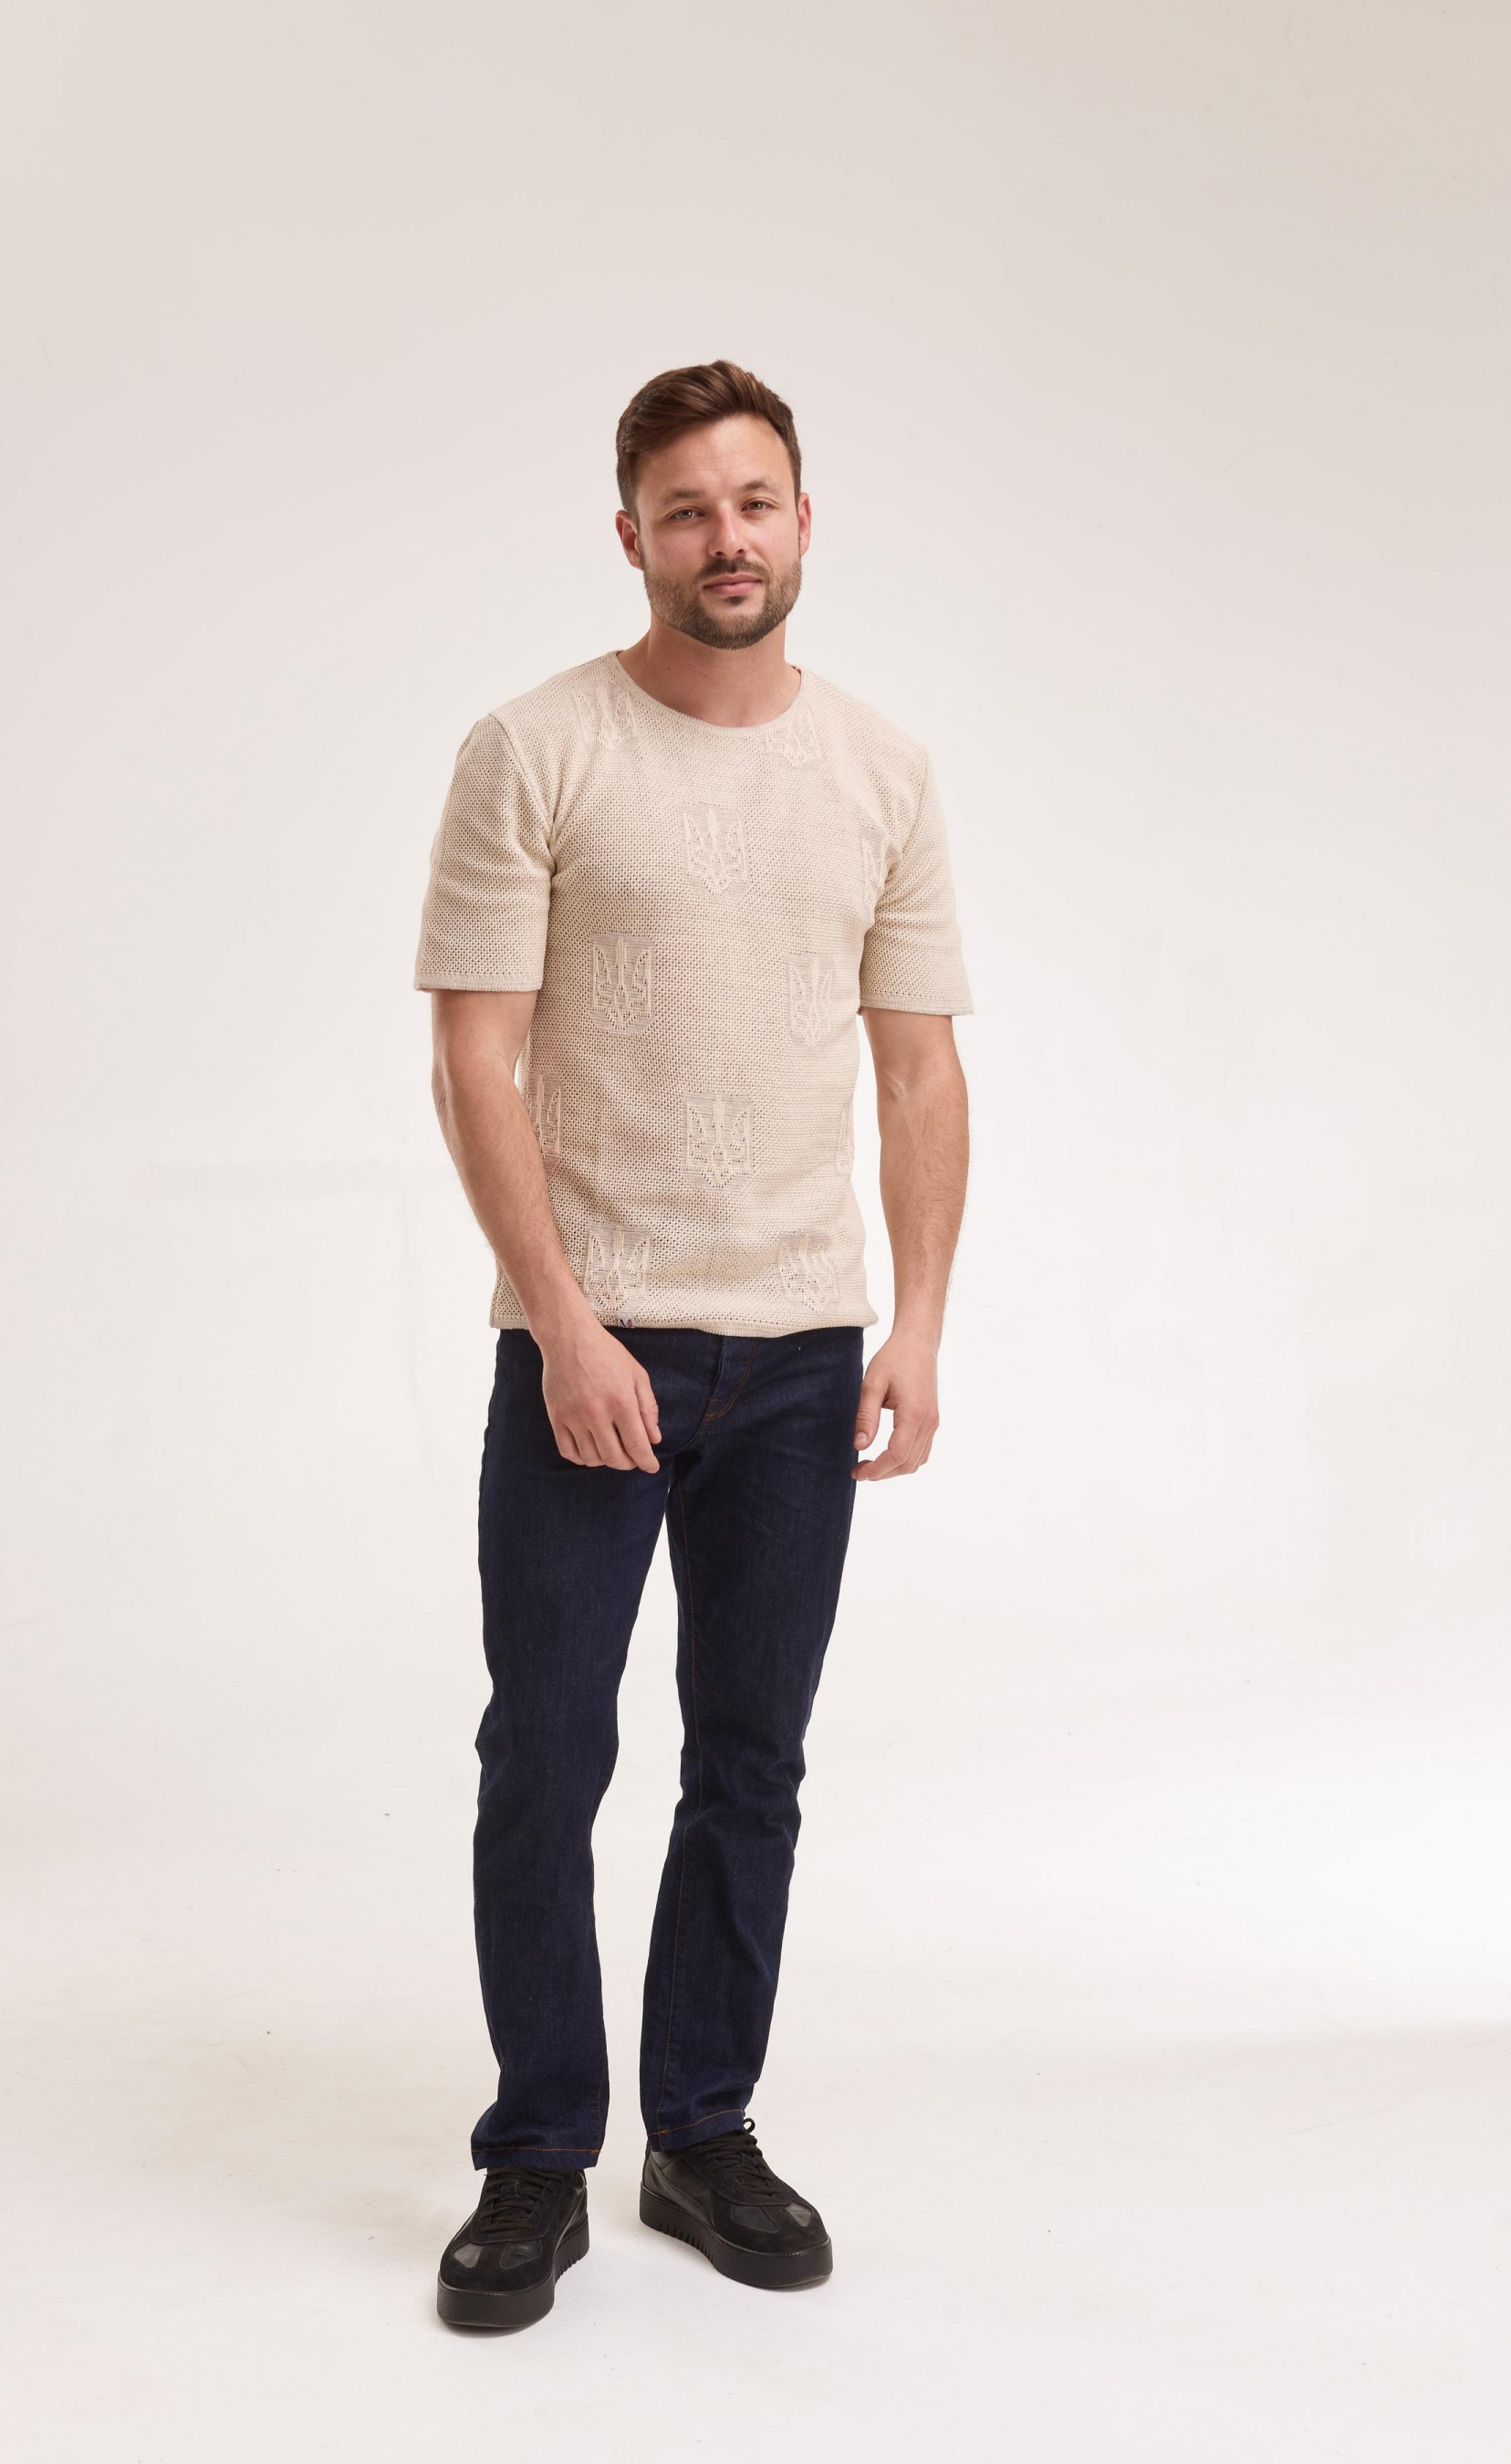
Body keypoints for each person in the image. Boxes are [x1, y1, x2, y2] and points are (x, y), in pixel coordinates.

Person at [414, 360, 973, 2329]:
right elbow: (472, 1061)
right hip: (593, 1347)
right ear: (630, 535)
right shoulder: (533, 748)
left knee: (750, 1762)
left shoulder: (883, 770)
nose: (723, 538)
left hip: (803, 1352)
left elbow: (918, 1073)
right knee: (543, 1757)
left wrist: (917, 1322)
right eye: (684, 508)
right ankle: (535, 2155)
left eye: (752, 501)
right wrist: (563, 1321)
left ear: (802, 519)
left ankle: (700, 2133)